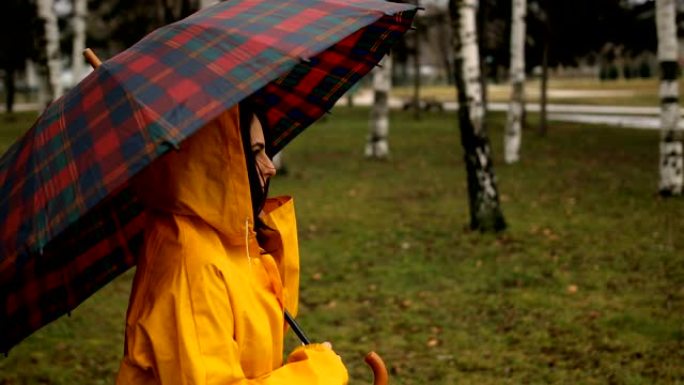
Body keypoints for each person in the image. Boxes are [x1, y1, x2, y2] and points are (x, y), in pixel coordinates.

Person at [115, 102, 349, 385]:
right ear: (212, 163)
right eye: (255, 153)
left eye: (266, 151)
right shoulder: (192, 264)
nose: (270, 167)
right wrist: (317, 375)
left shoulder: (235, 238)